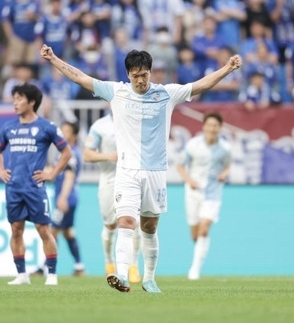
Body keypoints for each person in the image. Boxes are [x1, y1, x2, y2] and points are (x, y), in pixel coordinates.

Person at [40, 42, 242, 293]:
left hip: (156, 172)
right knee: (125, 221)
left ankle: (149, 278)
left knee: (149, 227)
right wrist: (54, 59)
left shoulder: (166, 93)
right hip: (127, 171)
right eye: (135, 76)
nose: (140, 80)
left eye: (144, 75)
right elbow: (81, 77)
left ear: (150, 72)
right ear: (128, 75)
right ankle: (122, 275)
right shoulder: (117, 92)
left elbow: (201, 85)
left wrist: (226, 69)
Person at [0, 83, 72, 286]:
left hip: (35, 189)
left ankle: (52, 275)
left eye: (19, 98)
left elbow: (67, 152)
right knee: (16, 230)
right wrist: (1, 170)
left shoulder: (47, 127)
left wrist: (52, 173)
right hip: (13, 188)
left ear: (32, 102)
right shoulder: (8, 127)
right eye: (14, 98)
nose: (15, 102)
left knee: (44, 230)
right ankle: (22, 275)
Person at [83, 112, 142, 283]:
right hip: (109, 180)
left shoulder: (135, 121)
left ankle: (133, 265)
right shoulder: (100, 126)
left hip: (132, 179)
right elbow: (87, 154)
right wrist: (108, 156)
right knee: (110, 225)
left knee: (134, 223)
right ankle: (109, 262)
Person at [176, 112, 231, 280]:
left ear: (220, 128)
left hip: (213, 193)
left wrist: (224, 174)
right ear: (204, 127)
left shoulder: (225, 148)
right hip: (193, 192)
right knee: (195, 233)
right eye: (210, 125)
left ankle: (195, 270)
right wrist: (189, 180)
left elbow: (228, 166)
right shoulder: (193, 145)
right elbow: (180, 166)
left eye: (216, 126)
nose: (212, 129)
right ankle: (198, 254)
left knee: (205, 227)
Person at [50, 122, 85, 276]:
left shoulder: (70, 153)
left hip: (66, 198)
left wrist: (63, 197)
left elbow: (69, 176)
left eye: (67, 131)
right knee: (68, 232)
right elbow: (56, 171)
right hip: (67, 197)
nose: (63, 133)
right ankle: (79, 266)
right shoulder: (63, 152)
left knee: (52, 231)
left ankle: (46, 266)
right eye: (62, 130)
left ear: (74, 135)